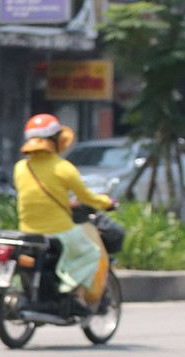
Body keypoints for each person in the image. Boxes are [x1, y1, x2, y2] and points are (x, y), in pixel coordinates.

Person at [14, 113, 113, 305]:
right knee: (91, 252)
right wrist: (107, 202)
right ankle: (73, 292)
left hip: (27, 231)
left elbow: (37, 196)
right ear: (54, 140)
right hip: (60, 231)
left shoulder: (20, 168)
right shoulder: (64, 168)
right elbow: (87, 197)